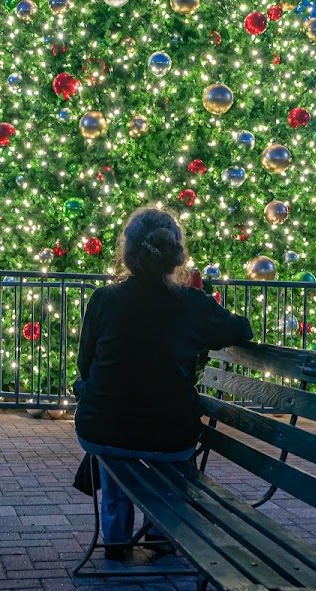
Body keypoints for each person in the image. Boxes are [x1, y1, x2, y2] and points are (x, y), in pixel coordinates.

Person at [75, 207, 252, 559]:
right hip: (169, 433)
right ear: (175, 254)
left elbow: (85, 363)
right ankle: (160, 532)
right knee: (167, 449)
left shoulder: (104, 300)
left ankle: (116, 538)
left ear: (129, 251)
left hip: (104, 427)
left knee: (115, 450)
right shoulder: (191, 303)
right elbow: (241, 329)